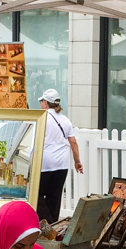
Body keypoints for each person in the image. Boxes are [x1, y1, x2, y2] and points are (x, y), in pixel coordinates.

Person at [37, 88, 83, 224]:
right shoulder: (65, 120)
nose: (40, 104)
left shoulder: (42, 118)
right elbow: (73, 142)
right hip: (62, 164)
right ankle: (52, 226)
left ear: (46, 102)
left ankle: (48, 224)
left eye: (41, 101)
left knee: (36, 195)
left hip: (45, 164)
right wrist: (77, 161)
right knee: (55, 197)